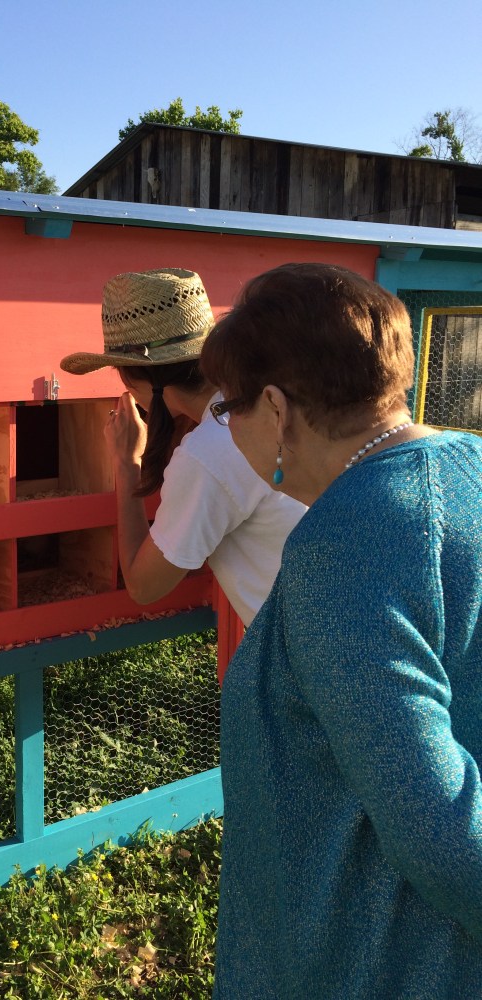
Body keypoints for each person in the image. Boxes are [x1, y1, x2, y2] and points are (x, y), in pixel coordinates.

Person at [200, 261, 482, 999]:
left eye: (227, 410)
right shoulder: (471, 469)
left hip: (382, 962)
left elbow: (443, 833)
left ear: (275, 406)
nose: (228, 432)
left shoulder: (350, 541)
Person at [59, 267, 306, 628]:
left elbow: (144, 586)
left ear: (135, 377)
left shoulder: (208, 451)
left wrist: (126, 464)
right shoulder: (264, 406)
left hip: (309, 661)